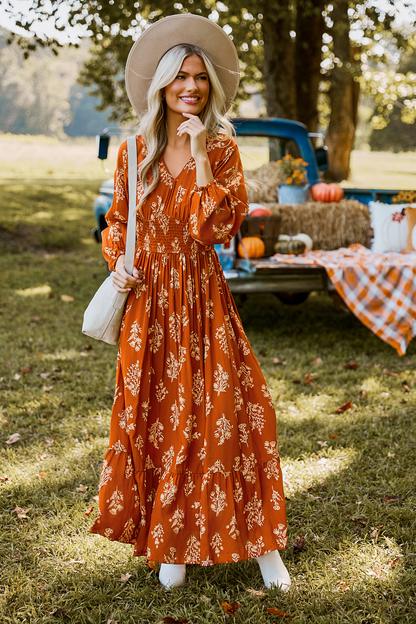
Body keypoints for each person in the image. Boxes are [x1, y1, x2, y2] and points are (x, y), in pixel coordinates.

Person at [90, 13, 291, 592]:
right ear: (161, 85)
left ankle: (264, 547)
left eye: (200, 78)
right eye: (180, 77)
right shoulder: (133, 151)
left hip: (203, 301)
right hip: (150, 305)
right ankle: (171, 545)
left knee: (232, 413)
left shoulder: (224, 149)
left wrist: (201, 153)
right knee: (157, 419)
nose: (191, 87)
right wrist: (119, 259)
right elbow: (117, 223)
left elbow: (215, 229)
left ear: (210, 86)